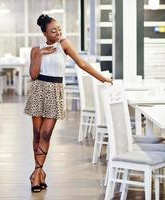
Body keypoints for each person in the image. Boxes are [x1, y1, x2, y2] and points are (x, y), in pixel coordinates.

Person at [24, 14, 113, 193]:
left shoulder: (64, 44)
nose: (58, 32)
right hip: (38, 89)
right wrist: (40, 54)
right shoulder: (36, 49)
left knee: (46, 133)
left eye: (59, 29)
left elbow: (82, 64)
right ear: (44, 33)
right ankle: (39, 175)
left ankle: (36, 172)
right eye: (53, 30)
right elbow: (33, 75)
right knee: (37, 133)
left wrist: (102, 78)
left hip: (55, 91)